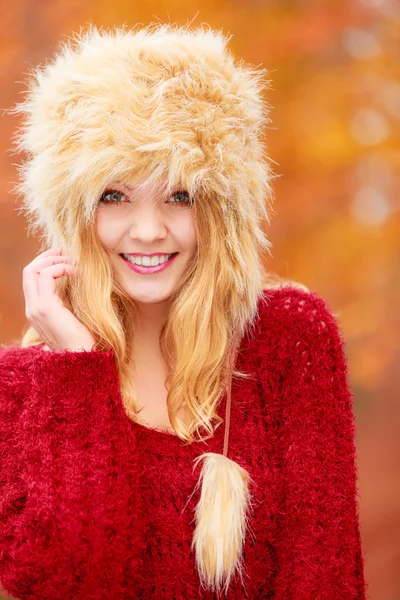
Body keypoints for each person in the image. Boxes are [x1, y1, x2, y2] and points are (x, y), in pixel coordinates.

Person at [0, 23, 367, 600]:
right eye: (114, 196)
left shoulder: (290, 338)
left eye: (180, 195)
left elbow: (327, 577)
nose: (149, 231)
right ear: (72, 211)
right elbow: (71, 583)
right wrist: (77, 367)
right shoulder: (22, 388)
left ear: (221, 210)